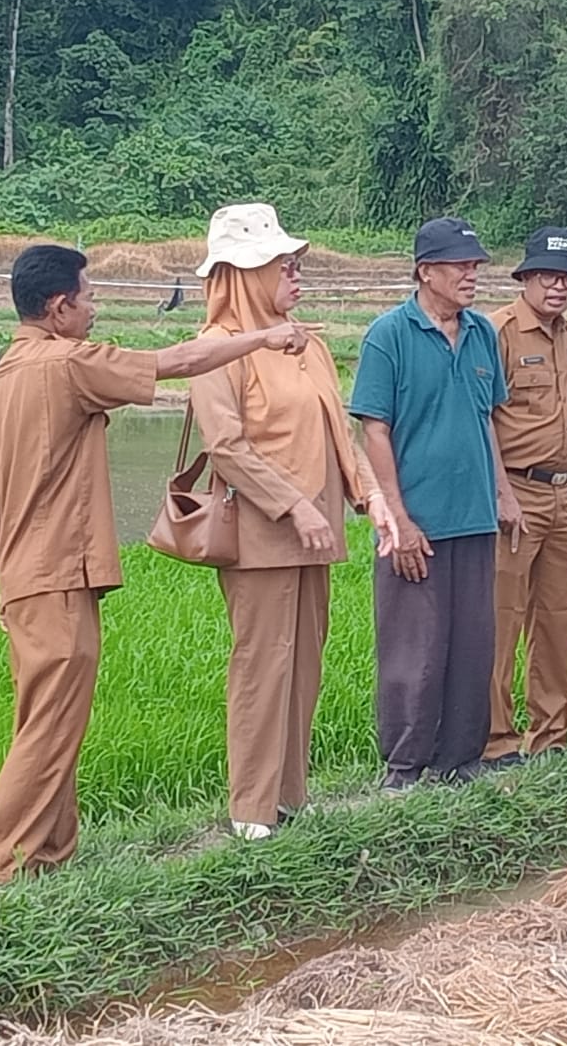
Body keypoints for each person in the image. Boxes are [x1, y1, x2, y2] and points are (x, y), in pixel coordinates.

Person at [0, 243, 311, 883]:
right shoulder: (66, 364)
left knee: (51, 719)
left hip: (21, 576)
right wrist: (264, 337)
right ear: (59, 306)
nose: (95, 309)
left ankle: (48, 856)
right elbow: (179, 360)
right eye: (90, 297)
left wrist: (1, 583)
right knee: (47, 729)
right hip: (59, 572)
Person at [187, 203, 399, 840]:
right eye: (284, 265)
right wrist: (296, 505)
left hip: (318, 536)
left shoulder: (307, 347)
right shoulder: (217, 351)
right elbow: (227, 447)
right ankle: (251, 811)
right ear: (246, 275)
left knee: (305, 662)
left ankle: (289, 798)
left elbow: (340, 435)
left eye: (295, 263)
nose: (296, 275)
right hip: (263, 539)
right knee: (262, 665)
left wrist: (372, 499)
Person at [349, 216, 522, 790]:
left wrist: (503, 492)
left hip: (473, 517)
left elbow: (486, 421)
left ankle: (459, 764)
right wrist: (398, 520)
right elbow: (375, 430)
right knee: (414, 653)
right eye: (460, 265)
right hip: (417, 521)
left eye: (476, 265)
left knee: (473, 645)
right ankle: (403, 769)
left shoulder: (479, 336)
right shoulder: (389, 335)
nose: (472, 275)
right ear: (426, 271)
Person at [483, 226, 567, 768]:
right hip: (516, 494)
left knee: (557, 620)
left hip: (563, 500)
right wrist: (502, 494)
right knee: (501, 620)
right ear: (526, 276)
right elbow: (481, 419)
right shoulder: (498, 333)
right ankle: (497, 741)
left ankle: (551, 739)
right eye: (550, 276)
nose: (559, 287)